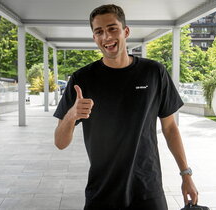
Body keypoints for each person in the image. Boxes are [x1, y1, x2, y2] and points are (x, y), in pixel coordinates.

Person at [54, 4, 198, 210]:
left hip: (148, 190)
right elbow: (60, 142)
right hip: (102, 192)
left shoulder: (154, 72)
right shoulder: (82, 79)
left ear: (126, 31)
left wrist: (186, 175)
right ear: (94, 37)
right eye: (99, 32)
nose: (106, 37)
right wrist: (71, 115)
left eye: (112, 28)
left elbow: (170, 128)